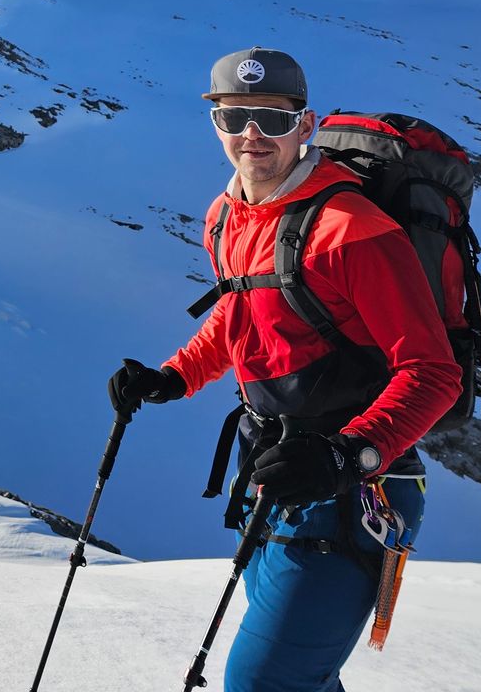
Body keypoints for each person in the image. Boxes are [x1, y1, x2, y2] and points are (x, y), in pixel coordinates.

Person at [110, 46, 461, 692]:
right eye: (234, 117)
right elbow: (243, 313)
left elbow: (433, 371)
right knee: (298, 680)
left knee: (263, 682)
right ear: (214, 122)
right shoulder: (225, 217)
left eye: (273, 119)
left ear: (306, 125)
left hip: (355, 494)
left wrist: (346, 456)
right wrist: (174, 376)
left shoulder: (352, 230)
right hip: (269, 479)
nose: (252, 135)